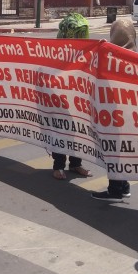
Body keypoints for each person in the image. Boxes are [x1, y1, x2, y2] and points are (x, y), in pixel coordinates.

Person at [91, 18, 137, 200]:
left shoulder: (109, 56)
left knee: (113, 151)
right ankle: (123, 185)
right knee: (121, 150)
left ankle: (116, 189)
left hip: (112, 115)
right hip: (130, 115)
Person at [51, 12, 92, 178]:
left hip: (78, 100)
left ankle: (76, 164)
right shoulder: (55, 50)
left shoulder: (86, 50)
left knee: (78, 132)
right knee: (60, 131)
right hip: (59, 99)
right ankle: (58, 166)